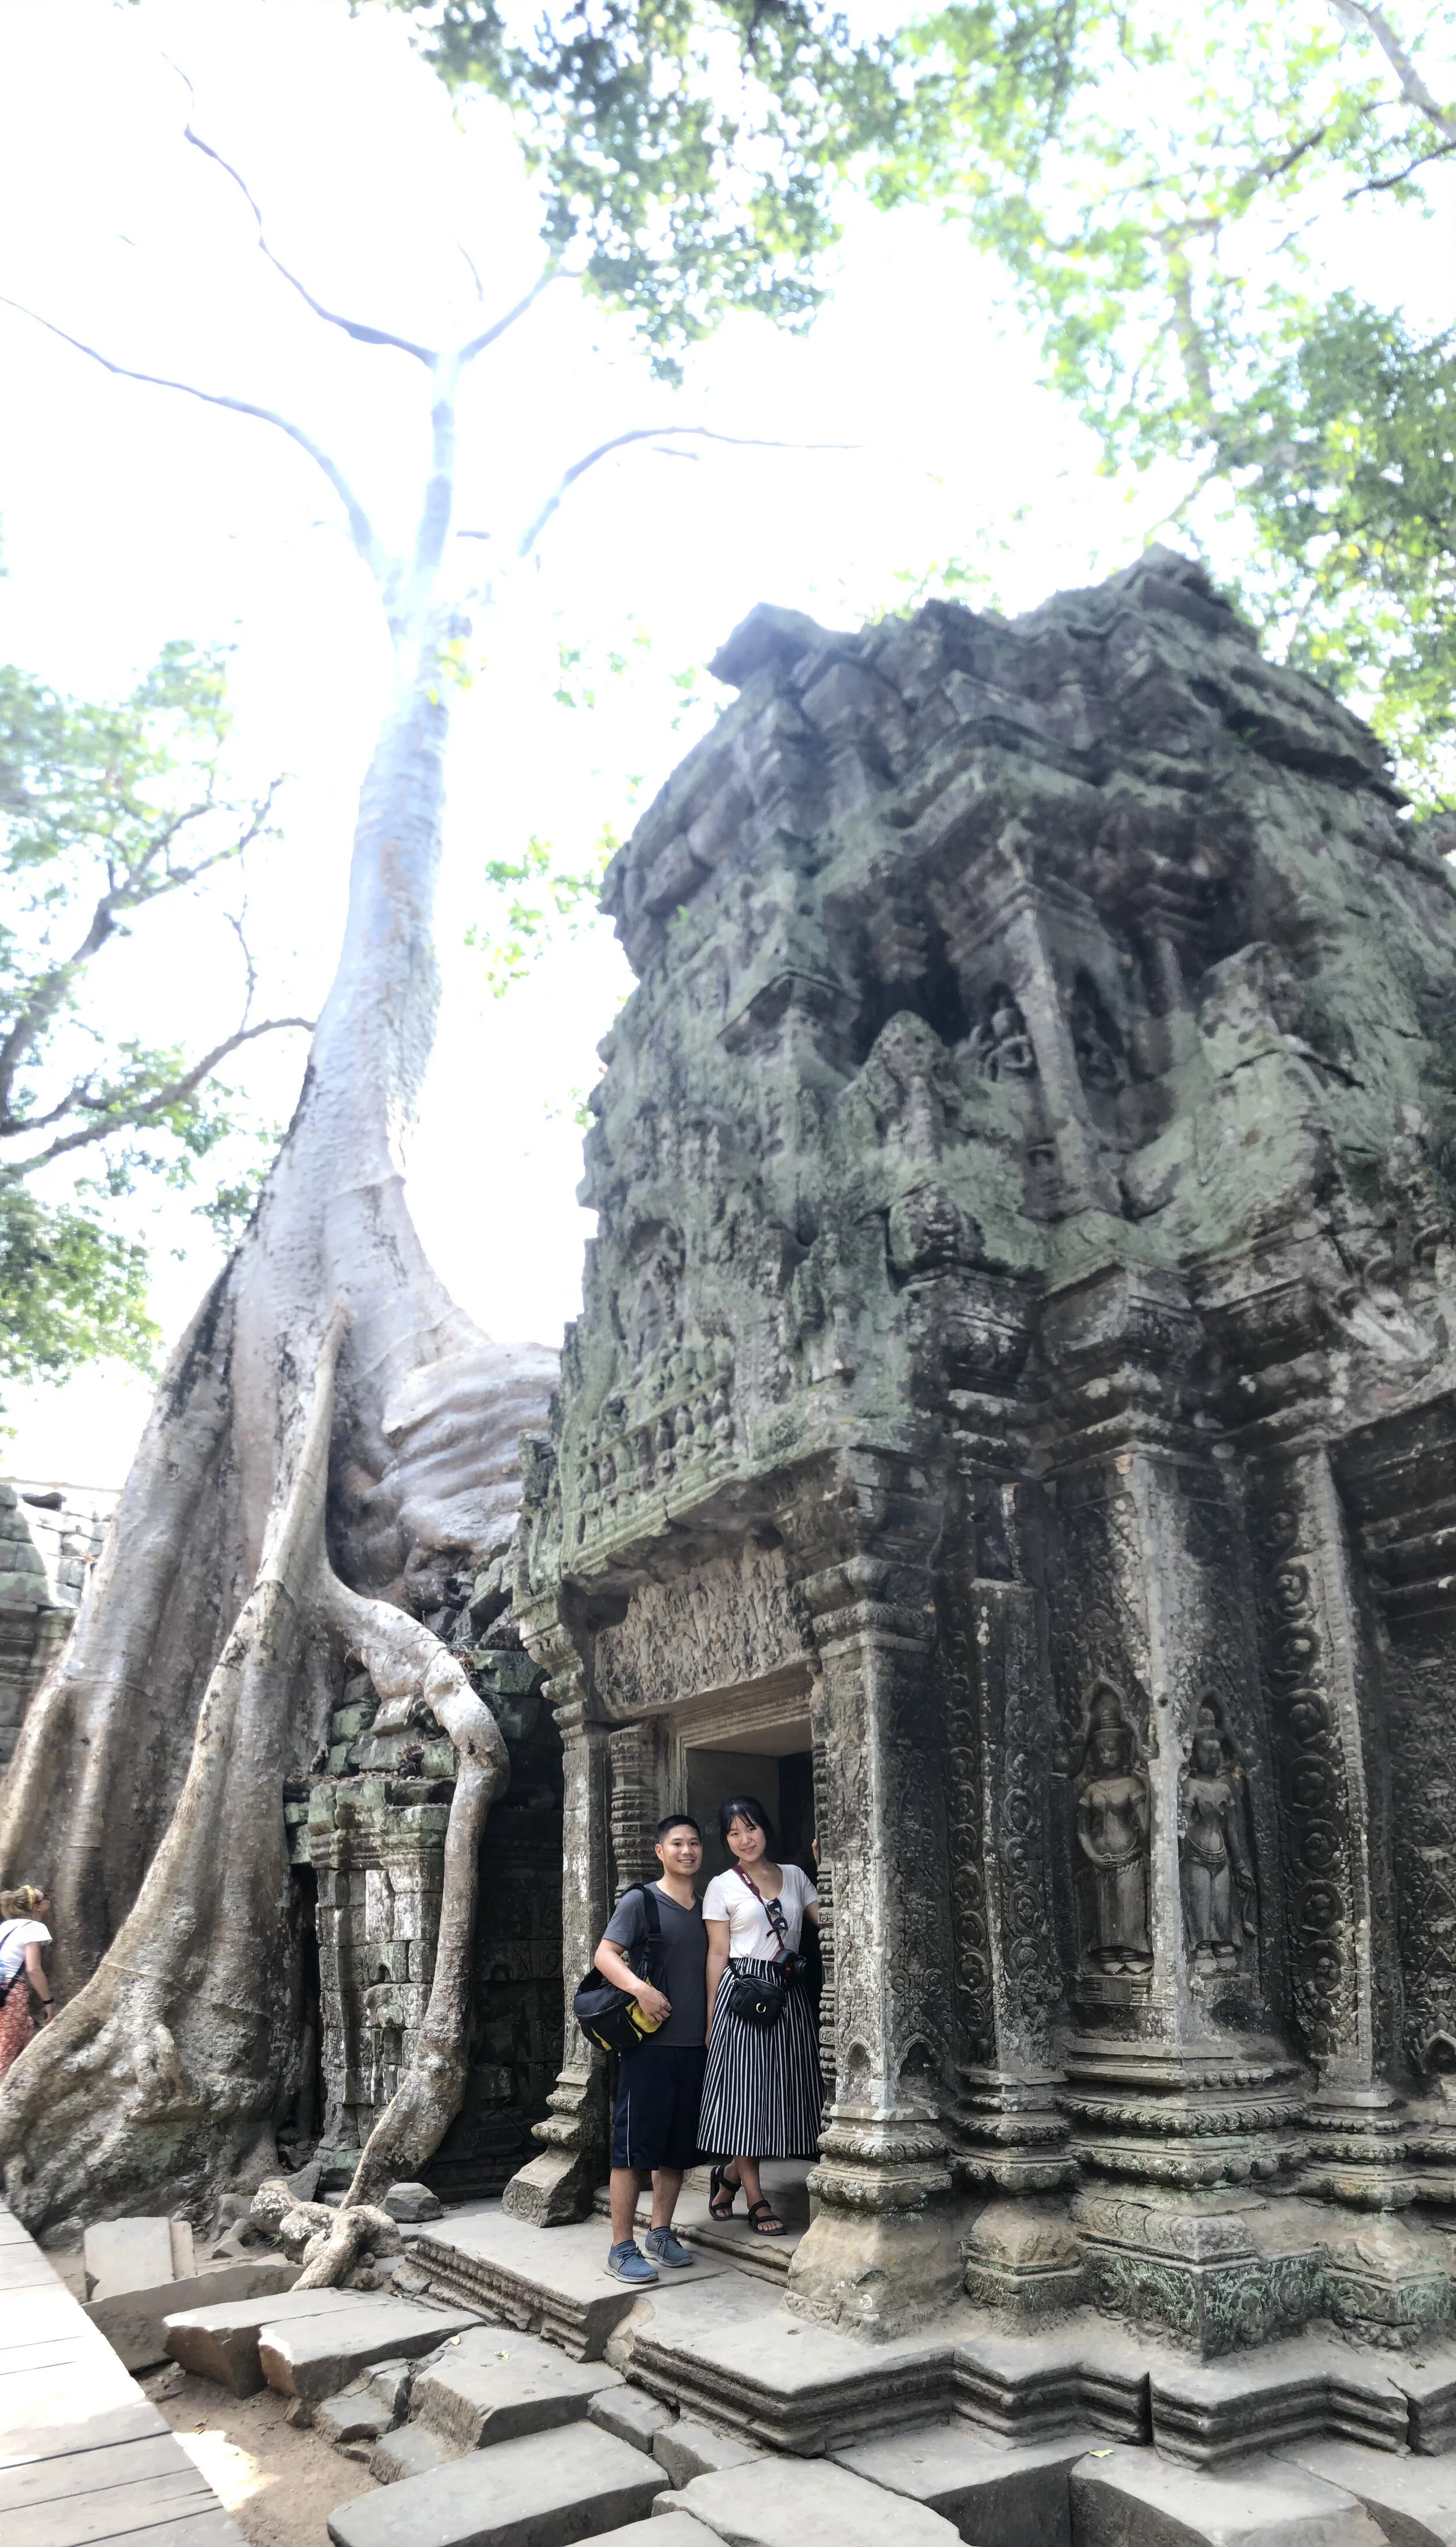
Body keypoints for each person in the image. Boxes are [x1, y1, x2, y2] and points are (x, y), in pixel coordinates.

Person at [593, 1813, 708, 2285]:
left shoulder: (709, 1906)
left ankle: (660, 2233)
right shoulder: (642, 1901)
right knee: (633, 2149)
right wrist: (640, 1989)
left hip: (695, 2046)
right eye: (677, 1843)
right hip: (649, 2046)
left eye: (694, 1843)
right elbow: (604, 1954)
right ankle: (621, 2246)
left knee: (675, 2150)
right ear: (660, 1851)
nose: (687, 1851)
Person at [701, 1796, 821, 2237]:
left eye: (750, 1828)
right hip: (744, 1995)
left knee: (782, 2094)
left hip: (787, 1993)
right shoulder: (721, 1885)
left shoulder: (794, 1876)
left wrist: (827, 1865)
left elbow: (824, 1921)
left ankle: (728, 2175)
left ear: (765, 1830)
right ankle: (756, 2197)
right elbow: (717, 1953)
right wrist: (712, 2016)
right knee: (746, 2100)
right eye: (733, 1832)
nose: (743, 1839)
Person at [0, 1884, 55, 2080]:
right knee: (4, 2052)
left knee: (25, 2029)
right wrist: (48, 2002)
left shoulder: (5, 1926)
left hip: (3, 1991)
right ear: (36, 1907)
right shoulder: (34, 1928)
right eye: (45, 1898)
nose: (49, 1899)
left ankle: (20, 2084)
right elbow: (33, 1968)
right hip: (9, 1993)